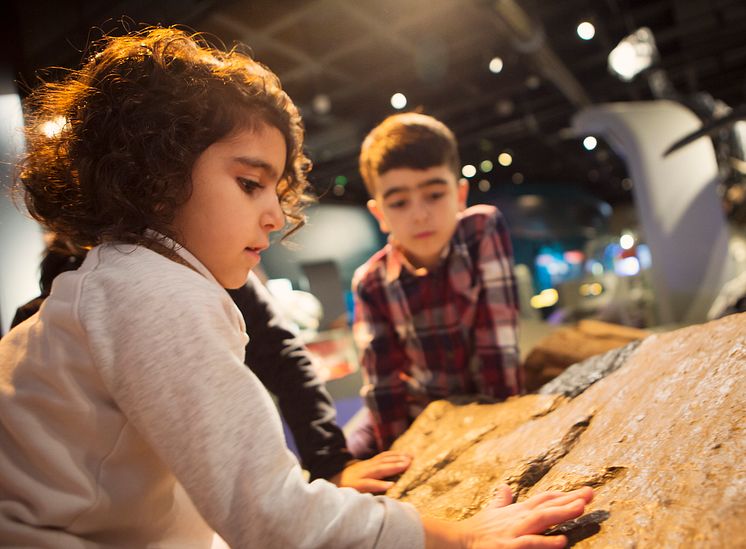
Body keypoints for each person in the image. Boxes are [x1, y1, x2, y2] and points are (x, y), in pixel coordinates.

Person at [0, 26, 592, 547]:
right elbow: (273, 520)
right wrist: (459, 537)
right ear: (159, 174)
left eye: (275, 190)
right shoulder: (152, 291)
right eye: (249, 183)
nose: (277, 217)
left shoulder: (131, 277)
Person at [11, 236, 409, 493]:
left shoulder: (209, 259)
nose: (272, 218)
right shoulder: (53, 316)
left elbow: (281, 353)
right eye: (248, 184)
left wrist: (330, 462)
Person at [350, 112, 523, 458]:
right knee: (349, 461)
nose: (419, 214)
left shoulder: (482, 230)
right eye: (399, 202)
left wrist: (505, 436)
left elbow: (498, 350)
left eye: (434, 194)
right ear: (380, 214)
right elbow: (383, 385)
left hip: (482, 403)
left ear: (460, 195)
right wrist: (399, 457)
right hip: (422, 417)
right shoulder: (371, 281)